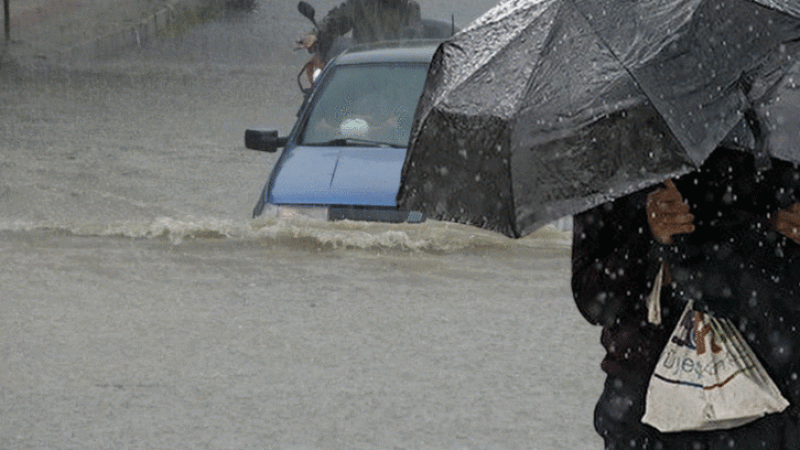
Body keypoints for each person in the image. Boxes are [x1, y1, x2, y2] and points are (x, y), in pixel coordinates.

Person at [571, 146, 800, 449]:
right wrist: (649, 239)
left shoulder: (778, 144)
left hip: (765, 410)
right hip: (643, 412)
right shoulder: (610, 158)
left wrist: (768, 230)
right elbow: (593, 300)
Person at [314, 0, 422, 59]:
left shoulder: (409, 8)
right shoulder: (360, 4)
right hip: (363, 65)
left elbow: (414, 38)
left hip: (396, 69)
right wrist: (315, 34)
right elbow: (337, 19)